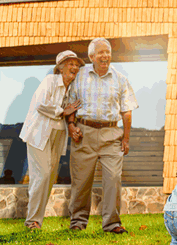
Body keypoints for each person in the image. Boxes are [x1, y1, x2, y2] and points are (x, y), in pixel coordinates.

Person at [65, 38, 138, 234]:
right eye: (100, 52)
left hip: (111, 134)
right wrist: (71, 126)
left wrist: (126, 138)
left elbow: (127, 111)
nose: (105, 56)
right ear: (91, 57)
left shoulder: (120, 79)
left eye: (107, 52)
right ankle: (78, 221)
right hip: (84, 133)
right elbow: (71, 105)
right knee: (81, 180)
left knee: (113, 179)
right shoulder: (79, 76)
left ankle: (112, 223)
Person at [19, 50, 84, 229]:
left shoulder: (73, 87)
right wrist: (62, 111)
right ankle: (31, 220)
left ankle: (36, 221)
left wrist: (72, 124)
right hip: (39, 133)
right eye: (70, 64)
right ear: (61, 67)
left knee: (49, 178)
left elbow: (72, 111)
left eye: (77, 65)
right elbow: (41, 104)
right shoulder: (50, 81)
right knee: (42, 175)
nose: (75, 67)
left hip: (58, 134)